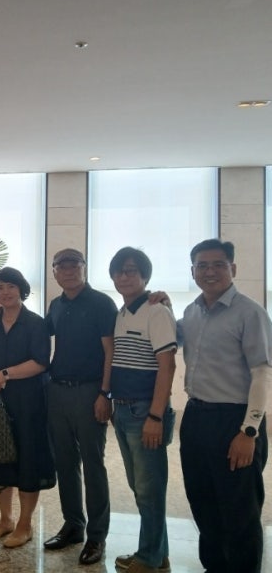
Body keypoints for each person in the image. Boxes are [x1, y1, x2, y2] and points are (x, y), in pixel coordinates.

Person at [179, 239, 270, 573]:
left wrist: (249, 431)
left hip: (235, 420)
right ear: (192, 271)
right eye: (202, 265)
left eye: (218, 264)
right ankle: (215, 567)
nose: (210, 271)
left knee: (240, 511)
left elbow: (263, 373)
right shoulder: (191, 312)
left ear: (233, 268)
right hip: (195, 416)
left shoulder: (250, 312)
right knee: (203, 501)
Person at [43, 248, 117, 566]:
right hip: (57, 391)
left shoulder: (101, 303)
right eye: (62, 266)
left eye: (75, 265)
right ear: (55, 272)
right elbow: (38, 333)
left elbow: (110, 351)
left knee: (93, 463)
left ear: (84, 268)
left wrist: (105, 394)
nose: (69, 270)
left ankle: (97, 535)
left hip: (90, 392)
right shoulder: (56, 305)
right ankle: (73, 524)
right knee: (65, 462)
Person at [0, 267, 56, 549]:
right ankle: (5, 519)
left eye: (11, 286)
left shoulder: (35, 323)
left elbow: (41, 362)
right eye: (0, 287)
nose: (6, 292)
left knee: (27, 460)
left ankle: (25, 524)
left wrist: (4, 375)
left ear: (21, 289)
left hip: (28, 402)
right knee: (0, 458)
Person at [108, 248, 176, 573]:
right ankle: (158, 555)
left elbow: (168, 366)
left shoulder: (156, 311)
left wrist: (155, 416)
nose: (124, 276)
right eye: (119, 271)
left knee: (149, 490)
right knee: (141, 487)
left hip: (145, 411)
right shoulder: (122, 312)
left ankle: (148, 559)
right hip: (123, 409)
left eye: (131, 270)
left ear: (145, 276)